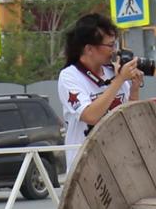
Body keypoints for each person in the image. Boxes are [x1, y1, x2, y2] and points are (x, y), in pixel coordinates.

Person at [56, 11, 142, 166]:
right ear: (89, 49)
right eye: (110, 45)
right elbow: (90, 115)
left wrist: (134, 89)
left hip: (119, 161)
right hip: (86, 166)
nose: (114, 51)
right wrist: (119, 80)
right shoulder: (70, 76)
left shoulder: (113, 71)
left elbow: (130, 117)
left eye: (115, 44)